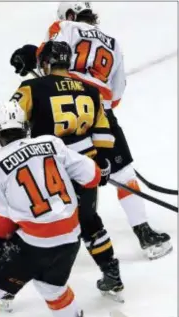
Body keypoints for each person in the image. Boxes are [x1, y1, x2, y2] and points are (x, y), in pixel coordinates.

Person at [9, 1, 172, 261]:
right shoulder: (113, 42)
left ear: (70, 14)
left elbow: (48, 63)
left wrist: (29, 54)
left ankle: (43, 242)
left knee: (51, 173)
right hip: (98, 112)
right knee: (123, 172)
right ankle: (145, 234)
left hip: (58, 110)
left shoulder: (63, 26)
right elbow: (116, 94)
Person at [0, 100, 102, 317]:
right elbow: (92, 174)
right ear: (25, 126)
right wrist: (101, 172)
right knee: (50, 284)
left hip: (36, 243)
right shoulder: (51, 142)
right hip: (71, 238)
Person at [8, 40, 124, 305]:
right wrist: (103, 163)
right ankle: (112, 274)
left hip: (48, 171)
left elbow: (11, 121)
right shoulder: (91, 90)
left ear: (45, 63)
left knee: (30, 224)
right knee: (89, 221)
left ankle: (7, 287)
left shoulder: (30, 88)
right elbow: (104, 132)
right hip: (85, 167)